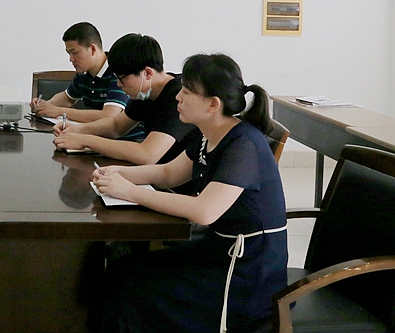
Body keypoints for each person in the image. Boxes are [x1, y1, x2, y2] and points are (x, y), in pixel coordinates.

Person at [89, 53, 288, 333]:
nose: (177, 97)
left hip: (244, 274)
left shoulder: (244, 146)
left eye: (186, 92)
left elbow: (204, 211)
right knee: (122, 270)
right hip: (217, 250)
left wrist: (130, 192)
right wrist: (117, 173)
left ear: (213, 104)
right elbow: (168, 173)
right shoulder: (209, 133)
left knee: (132, 291)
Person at [54, 33, 197, 165]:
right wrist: (77, 130)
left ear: (147, 73)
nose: (118, 84)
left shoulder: (179, 97)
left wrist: (85, 140)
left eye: (122, 79)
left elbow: (147, 154)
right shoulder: (145, 92)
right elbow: (116, 126)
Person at [31, 22, 134, 128]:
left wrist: (59, 111)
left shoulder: (118, 72)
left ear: (92, 49)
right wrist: (44, 105)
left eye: (74, 52)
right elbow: (67, 98)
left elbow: (109, 115)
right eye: (69, 53)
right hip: (95, 133)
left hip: (122, 136)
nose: (71, 59)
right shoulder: (83, 74)